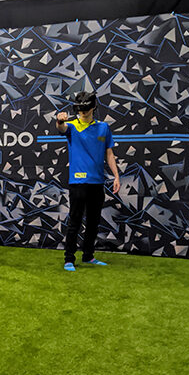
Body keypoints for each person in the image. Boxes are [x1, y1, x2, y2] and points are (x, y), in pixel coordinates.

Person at [55, 91, 121, 272]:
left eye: (86, 108)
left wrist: (116, 176)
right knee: (75, 221)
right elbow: (61, 128)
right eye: (80, 109)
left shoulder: (103, 128)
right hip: (77, 183)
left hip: (97, 182)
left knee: (93, 221)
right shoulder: (71, 126)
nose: (83, 112)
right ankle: (69, 258)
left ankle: (88, 256)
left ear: (93, 107)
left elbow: (109, 153)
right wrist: (60, 121)